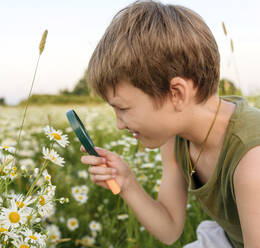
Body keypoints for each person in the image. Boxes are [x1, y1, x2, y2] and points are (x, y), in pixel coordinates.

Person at [80, 1, 260, 247]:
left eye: (123, 108)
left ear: (176, 93)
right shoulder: (176, 138)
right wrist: (126, 183)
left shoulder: (252, 160)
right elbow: (170, 229)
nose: (119, 125)